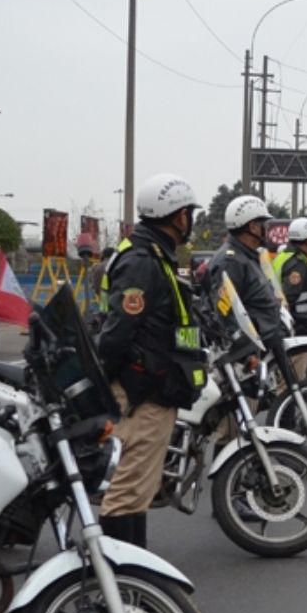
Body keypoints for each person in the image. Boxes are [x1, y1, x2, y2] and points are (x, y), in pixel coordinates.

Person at [95, 173, 205, 550]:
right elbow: (118, 332)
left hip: (155, 388)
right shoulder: (142, 260)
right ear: (177, 216)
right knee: (127, 492)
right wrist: (112, 387)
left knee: (137, 491)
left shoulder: (157, 255)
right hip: (142, 393)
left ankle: (130, 582)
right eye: (189, 213)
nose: (191, 220)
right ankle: (118, 586)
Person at [206, 193, 288, 359]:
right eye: (264, 224)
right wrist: (244, 353)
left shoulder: (247, 257)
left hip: (264, 344)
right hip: (249, 352)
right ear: (253, 227)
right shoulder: (232, 261)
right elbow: (224, 311)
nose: (267, 230)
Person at [274, 216, 307, 379]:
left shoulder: (285, 257)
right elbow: (289, 297)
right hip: (297, 328)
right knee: (292, 381)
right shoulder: (297, 264)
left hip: (292, 327)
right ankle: (287, 405)